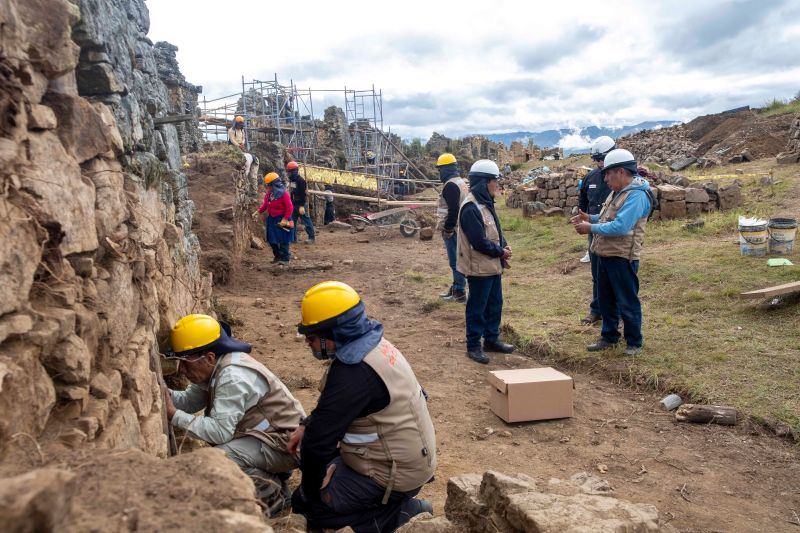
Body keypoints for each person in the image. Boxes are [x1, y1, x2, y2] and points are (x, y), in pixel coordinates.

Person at [289, 281, 436, 532]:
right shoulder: (373, 344)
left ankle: (401, 514)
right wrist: (307, 424)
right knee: (319, 465)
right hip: (410, 457)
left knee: (308, 507)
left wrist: (311, 494)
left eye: (310, 337)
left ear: (331, 336)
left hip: (396, 474)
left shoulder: (352, 373)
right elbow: (332, 413)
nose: (307, 343)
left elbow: (318, 444)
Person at [163, 314, 305, 516]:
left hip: (286, 444)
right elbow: (189, 401)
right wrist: (162, 393)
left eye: (186, 362)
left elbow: (220, 432)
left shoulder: (232, 377)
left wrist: (173, 415)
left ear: (209, 357)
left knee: (222, 458)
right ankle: (274, 483)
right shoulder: (214, 367)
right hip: (268, 437)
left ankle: (273, 499)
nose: (182, 370)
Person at [571, 149, 654, 357]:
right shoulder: (619, 191)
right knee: (606, 298)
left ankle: (634, 342)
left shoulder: (637, 195)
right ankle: (609, 336)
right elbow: (605, 216)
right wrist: (590, 218)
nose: (605, 178)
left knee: (627, 300)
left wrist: (590, 228)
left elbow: (620, 226)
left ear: (621, 172)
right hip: (605, 253)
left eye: (608, 173)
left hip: (622, 257)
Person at [456, 159, 515, 364]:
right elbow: (479, 242)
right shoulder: (471, 208)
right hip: (479, 268)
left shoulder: (484, 204)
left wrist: (504, 245)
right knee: (477, 308)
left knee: (494, 304)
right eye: (494, 181)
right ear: (483, 182)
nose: (497, 185)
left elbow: (495, 230)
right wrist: (501, 252)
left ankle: (491, 339)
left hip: (492, 266)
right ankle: (473, 346)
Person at [577, 136, 615, 325]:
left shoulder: (621, 178)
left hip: (613, 233)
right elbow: (583, 200)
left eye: (602, 158)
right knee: (596, 273)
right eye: (597, 159)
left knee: (614, 274)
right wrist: (581, 215)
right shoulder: (590, 177)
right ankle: (596, 310)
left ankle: (617, 313)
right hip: (594, 231)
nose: (600, 162)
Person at [435, 153, 469, 303]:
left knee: (455, 262)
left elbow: (453, 210)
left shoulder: (450, 185)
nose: (439, 173)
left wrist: (448, 229)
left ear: (446, 169)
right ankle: (456, 287)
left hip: (454, 230)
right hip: (461, 227)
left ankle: (460, 292)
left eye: (440, 169)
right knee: (457, 261)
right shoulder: (460, 182)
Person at [253, 172, 294, 263]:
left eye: (268, 185)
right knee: (272, 239)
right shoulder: (269, 194)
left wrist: (285, 219)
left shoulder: (284, 194)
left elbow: (290, 207)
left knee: (283, 239)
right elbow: (265, 205)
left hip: (283, 218)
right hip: (272, 219)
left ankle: (285, 258)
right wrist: (258, 211)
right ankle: (277, 256)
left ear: (274, 184)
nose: (267, 187)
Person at [287, 161, 316, 245]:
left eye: (290, 171)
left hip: (301, 204)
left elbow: (304, 194)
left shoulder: (301, 181)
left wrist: (302, 205)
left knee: (306, 221)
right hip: (294, 204)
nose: (289, 173)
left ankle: (311, 237)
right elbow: (292, 192)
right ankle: (293, 238)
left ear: (294, 171)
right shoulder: (292, 180)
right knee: (292, 221)